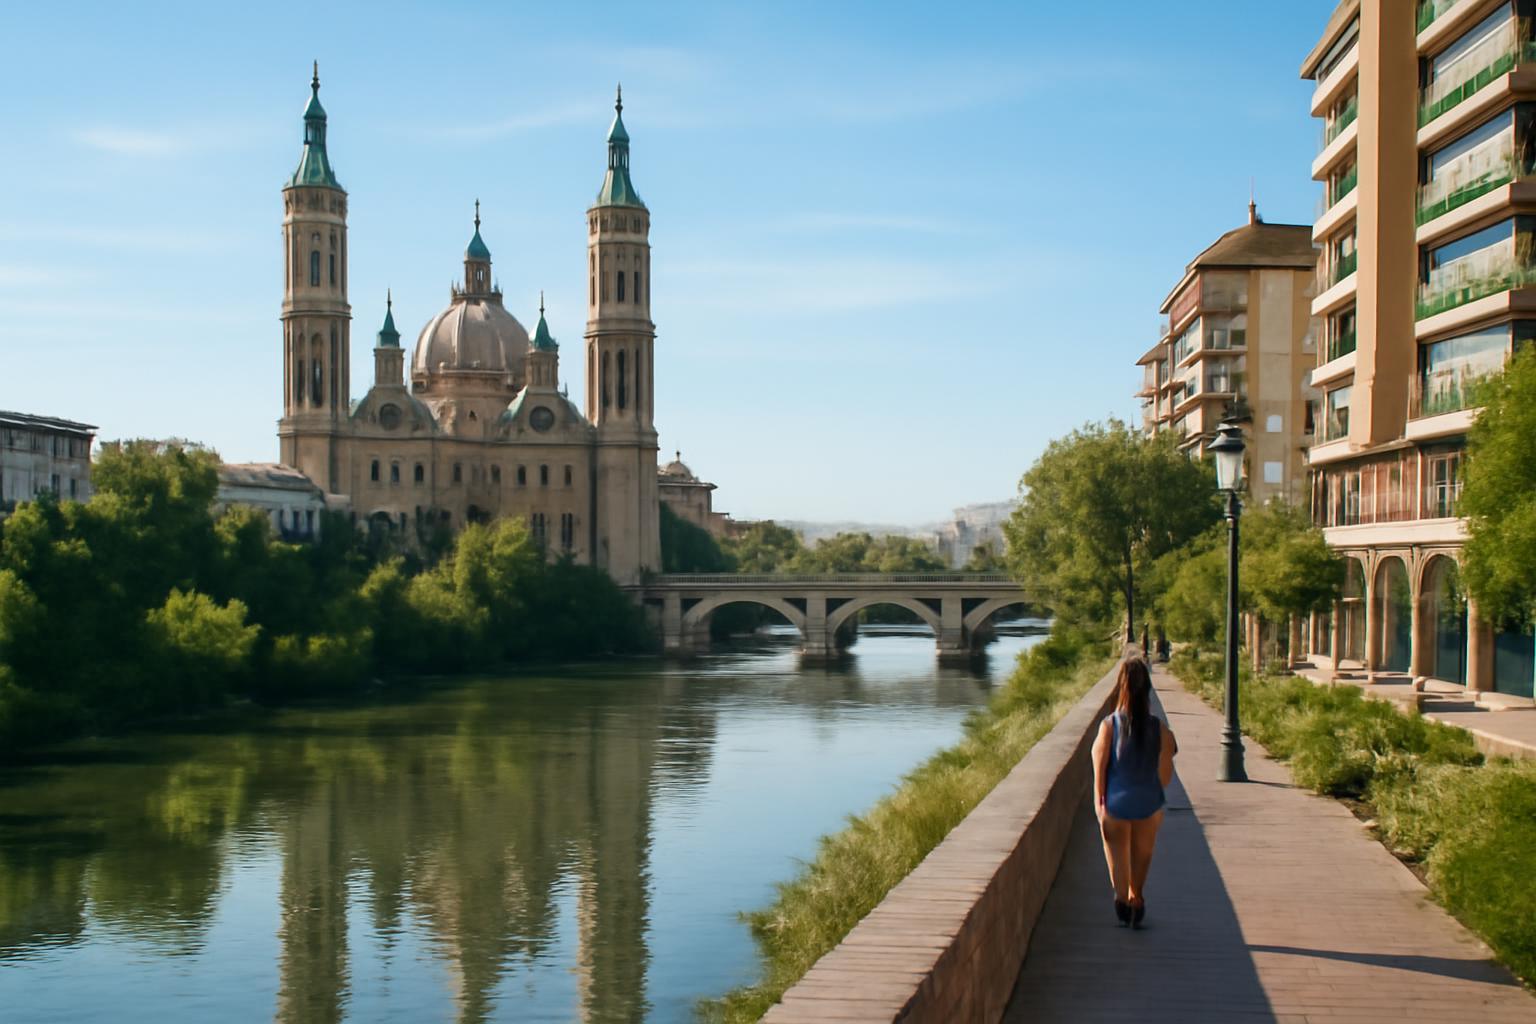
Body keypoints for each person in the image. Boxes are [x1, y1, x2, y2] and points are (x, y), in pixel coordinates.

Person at [1092, 658, 1176, 928]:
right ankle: (1136, 897)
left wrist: (1100, 805)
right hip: (1148, 803)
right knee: (1142, 854)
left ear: (1121, 687)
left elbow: (1099, 769)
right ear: (1148, 688)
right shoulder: (1160, 729)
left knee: (1117, 854)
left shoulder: (1109, 726)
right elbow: (1165, 777)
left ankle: (1121, 899)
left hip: (1116, 803)